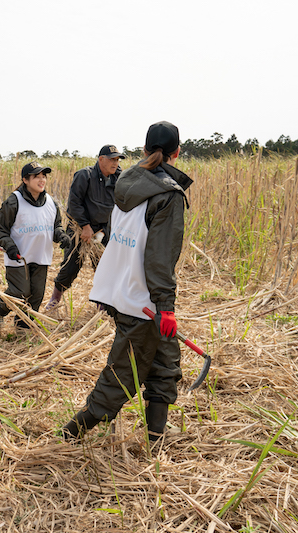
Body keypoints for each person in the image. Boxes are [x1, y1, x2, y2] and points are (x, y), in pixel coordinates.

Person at [61, 121, 194, 443]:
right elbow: (160, 259)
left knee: (165, 363)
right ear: (177, 152)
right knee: (123, 373)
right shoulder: (167, 195)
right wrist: (166, 307)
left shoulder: (126, 181)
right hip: (142, 301)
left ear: (145, 150)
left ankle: (155, 437)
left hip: (120, 289)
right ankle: (72, 432)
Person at [0, 162, 71, 329]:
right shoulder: (14, 201)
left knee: (36, 295)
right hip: (18, 257)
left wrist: (61, 236)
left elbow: (55, 226)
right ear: (25, 180)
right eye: (37, 177)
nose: (42, 180)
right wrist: (10, 247)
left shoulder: (51, 203)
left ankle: (23, 327)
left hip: (41, 256)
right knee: (20, 292)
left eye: (44, 176)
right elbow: (0, 230)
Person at [45, 144, 125, 310]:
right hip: (79, 229)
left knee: (104, 268)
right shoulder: (85, 175)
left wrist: (105, 230)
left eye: (117, 159)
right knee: (71, 266)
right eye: (112, 159)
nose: (115, 163)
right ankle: (55, 298)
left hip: (104, 230)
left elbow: (120, 208)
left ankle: (102, 304)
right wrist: (85, 226)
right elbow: (74, 204)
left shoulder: (120, 178)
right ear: (101, 159)